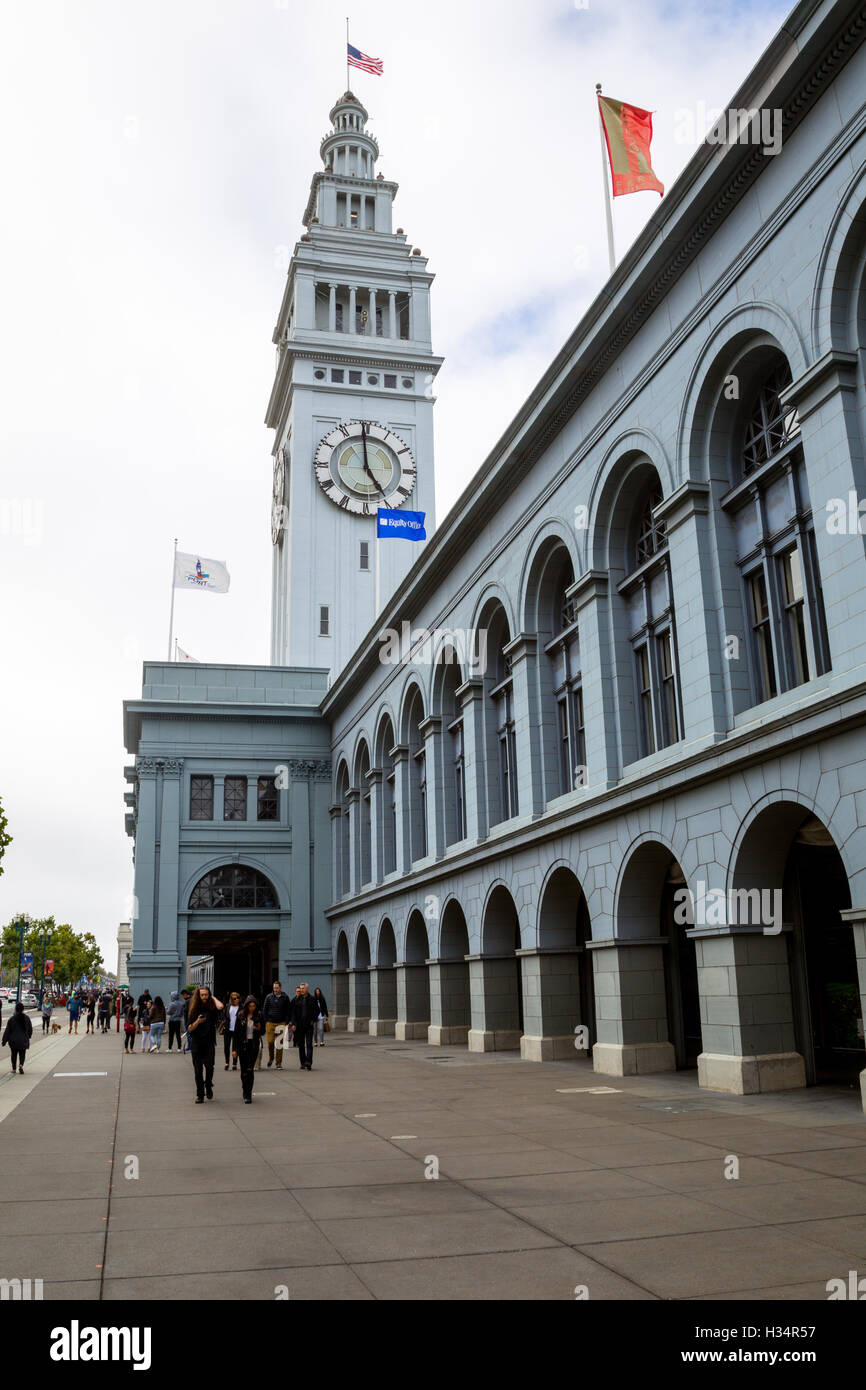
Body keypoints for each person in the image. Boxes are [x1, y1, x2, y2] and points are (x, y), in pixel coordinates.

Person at [186, 985, 223, 1103]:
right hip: (196, 1042)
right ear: (198, 995)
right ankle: (200, 1094)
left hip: (209, 1042)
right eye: (202, 995)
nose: (204, 997)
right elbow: (190, 1028)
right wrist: (198, 1021)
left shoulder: (211, 1007)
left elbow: (220, 1006)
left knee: (210, 1067)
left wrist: (212, 997)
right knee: (198, 1070)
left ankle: (208, 1086)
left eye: (206, 994)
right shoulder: (193, 1009)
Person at [231, 995, 262, 1103]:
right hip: (242, 1045)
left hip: (253, 1046)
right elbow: (235, 1034)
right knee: (244, 1071)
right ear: (246, 1006)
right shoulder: (241, 1015)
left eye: (254, 1006)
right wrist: (234, 1049)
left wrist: (257, 1029)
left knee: (250, 1069)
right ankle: (244, 1088)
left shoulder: (258, 1015)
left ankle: (248, 1094)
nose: (252, 1008)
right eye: (250, 1006)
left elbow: (262, 1031)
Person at [261, 981, 291, 1070]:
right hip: (270, 1023)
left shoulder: (285, 997)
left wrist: (286, 1021)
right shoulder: (269, 997)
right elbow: (264, 1009)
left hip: (281, 1023)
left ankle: (278, 1063)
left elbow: (288, 1010)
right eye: (274, 988)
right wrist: (266, 1021)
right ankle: (271, 1057)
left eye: (277, 988)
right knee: (270, 1042)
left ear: (280, 988)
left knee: (279, 1044)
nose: (275, 990)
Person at [291, 981, 318, 1072]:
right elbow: (293, 1013)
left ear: (307, 989)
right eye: (300, 988)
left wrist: (313, 1020)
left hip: (309, 1026)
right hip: (299, 1026)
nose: (301, 990)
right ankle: (303, 1062)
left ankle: (309, 1062)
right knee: (301, 1045)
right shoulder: (297, 1000)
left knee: (309, 1044)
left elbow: (317, 1011)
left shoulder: (312, 999)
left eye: (303, 988)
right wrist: (294, 1024)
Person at [2, 1002, 33, 1074]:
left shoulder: (12, 1019)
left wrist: (4, 1040)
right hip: (23, 1040)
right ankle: (21, 1064)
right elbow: (30, 1029)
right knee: (22, 1054)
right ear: (23, 1009)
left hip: (13, 1041)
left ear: (16, 1009)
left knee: (14, 1054)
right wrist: (29, 1036)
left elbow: (7, 1031)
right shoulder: (27, 1018)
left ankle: (14, 1069)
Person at [222, 991, 241, 1070]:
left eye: (237, 998)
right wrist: (224, 1023)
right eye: (234, 998)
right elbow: (224, 1016)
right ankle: (227, 1062)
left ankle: (234, 1063)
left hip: (237, 1030)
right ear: (231, 999)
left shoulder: (241, 1007)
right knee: (226, 1046)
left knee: (235, 1047)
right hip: (228, 1029)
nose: (236, 1000)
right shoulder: (228, 1006)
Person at [181, 988, 192, 1053]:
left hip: (188, 1020)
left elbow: (186, 1010)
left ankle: (190, 1047)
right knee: (189, 1034)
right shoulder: (190, 1000)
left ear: (185, 994)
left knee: (189, 1035)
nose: (182, 997)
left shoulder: (188, 1001)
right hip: (189, 1020)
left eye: (183, 995)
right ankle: (190, 1047)